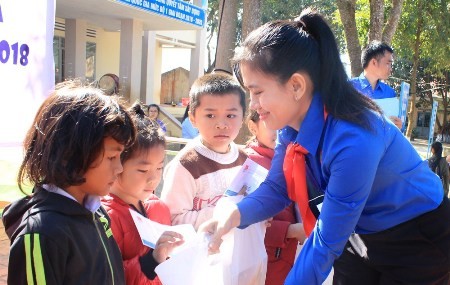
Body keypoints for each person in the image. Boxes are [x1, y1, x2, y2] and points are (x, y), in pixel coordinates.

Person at [200, 8, 450, 285]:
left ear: (296, 86)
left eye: (257, 91)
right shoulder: (290, 128)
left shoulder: (353, 139)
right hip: (358, 229)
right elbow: (278, 187)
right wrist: (234, 216)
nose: (253, 104)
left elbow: (325, 241)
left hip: (417, 235)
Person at [2, 81, 136, 284]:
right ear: (70, 153)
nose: (119, 168)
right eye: (111, 157)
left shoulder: (96, 212)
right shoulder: (41, 233)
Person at [102, 103, 184, 285]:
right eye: (142, 170)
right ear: (117, 164)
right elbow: (108, 276)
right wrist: (151, 261)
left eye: (160, 167)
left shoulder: (159, 207)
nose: (154, 178)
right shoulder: (105, 217)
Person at [160, 72, 248, 230]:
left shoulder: (245, 160)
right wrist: (228, 212)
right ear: (192, 118)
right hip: (200, 252)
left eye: (230, 115)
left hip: (236, 253)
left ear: (242, 118)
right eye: (210, 115)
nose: (221, 124)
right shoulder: (186, 165)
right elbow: (173, 219)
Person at [245, 109, 305, 285]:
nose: (281, 130)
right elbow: (244, 224)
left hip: (292, 257)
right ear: (252, 127)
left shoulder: (296, 156)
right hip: (268, 261)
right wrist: (290, 230)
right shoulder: (249, 164)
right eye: (271, 123)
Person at [349, 41, 403, 129]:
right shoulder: (348, 88)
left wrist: (399, 125)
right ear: (374, 62)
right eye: (388, 63)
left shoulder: (389, 93)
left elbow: (396, 129)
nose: (391, 68)